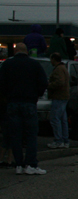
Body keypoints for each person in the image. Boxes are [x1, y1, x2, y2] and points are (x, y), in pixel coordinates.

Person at [0, 43, 48, 174]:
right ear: (26, 51)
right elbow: (43, 82)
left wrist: (7, 96)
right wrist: (36, 94)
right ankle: (31, 164)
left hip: (13, 102)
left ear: (15, 51)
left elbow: (1, 83)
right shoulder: (34, 65)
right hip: (29, 102)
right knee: (31, 134)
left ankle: (19, 164)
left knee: (16, 135)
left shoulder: (7, 64)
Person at [46, 53, 70, 149]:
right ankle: (65, 140)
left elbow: (60, 82)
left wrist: (49, 85)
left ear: (54, 59)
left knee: (55, 119)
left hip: (58, 96)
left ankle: (58, 140)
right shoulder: (63, 68)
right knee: (63, 120)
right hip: (64, 97)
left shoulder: (58, 69)